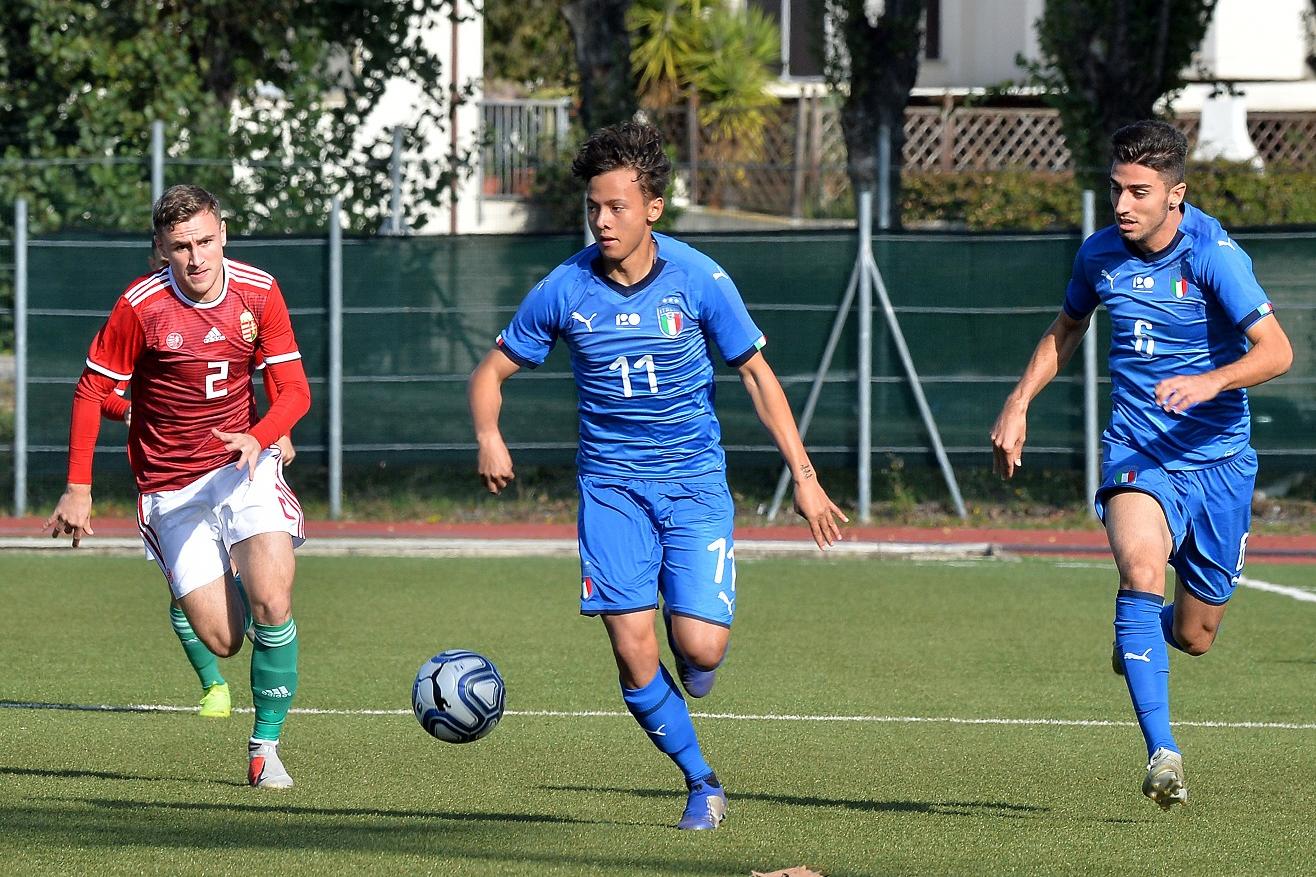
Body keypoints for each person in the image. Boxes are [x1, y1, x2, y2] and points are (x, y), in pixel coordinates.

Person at [468, 121, 847, 830]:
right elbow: (491, 371)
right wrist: (489, 433)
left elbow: (759, 376)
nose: (603, 220)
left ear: (653, 208)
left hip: (694, 483)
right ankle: (701, 780)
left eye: (616, 206)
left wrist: (804, 476)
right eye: (594, 207)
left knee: (700, 650)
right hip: (611, 489)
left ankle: (695, 656)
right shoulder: (564, 288)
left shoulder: (700, 278)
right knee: (631, 642)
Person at [990, 120, 1292, 809]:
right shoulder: (1099, 255)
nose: (1122, 205)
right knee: (1141, 570)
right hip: (1138, 452)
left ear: (1175, 194)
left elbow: (1277, 351)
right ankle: (1163, 753)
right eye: (1116, 189)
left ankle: (1139, 640)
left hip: (1218, 463)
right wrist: (1019, 400)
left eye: (1139, 192)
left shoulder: (1214, 254)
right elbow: (1067, 328)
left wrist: (1213, 381)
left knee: (1195, 634)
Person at [44, 184, 312, 789]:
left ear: (223, 235)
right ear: (160, 251)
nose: (196, 258)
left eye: (205, 241)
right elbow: (92, 393)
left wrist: (264, 434)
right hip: (169, 485)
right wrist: (78, 489)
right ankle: (224, 572)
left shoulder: (260, 291)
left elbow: (295, 389)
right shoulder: (140, 307)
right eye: (181, 247)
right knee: (224, 639)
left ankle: (264, 748)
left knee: (274, 600)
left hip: (244, 466)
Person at [101, 358, 297, 721]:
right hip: (173, 476)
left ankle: (256, 618)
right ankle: (213, 685)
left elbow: (274, 364)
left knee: (252, 576)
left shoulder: (232, 313)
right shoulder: (143, 322)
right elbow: (101, 392)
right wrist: (129, 408)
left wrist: (279, 428)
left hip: (232, 467)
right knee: (183, 599)